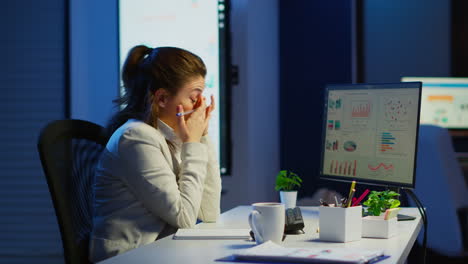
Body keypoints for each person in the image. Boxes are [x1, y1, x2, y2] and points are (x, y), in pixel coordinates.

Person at [89, 45, 222, 262]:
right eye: (194, 97)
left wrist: (204, 137)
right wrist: (193, 143)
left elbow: (208, 213)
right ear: (161, 99)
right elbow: (185, 217)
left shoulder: (167, 136)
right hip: (129, 258)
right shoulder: (135, 138)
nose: (200, 106)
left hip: (161, 254)